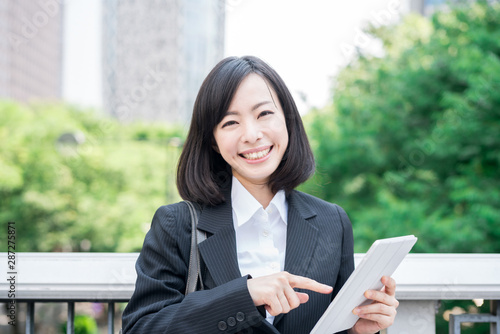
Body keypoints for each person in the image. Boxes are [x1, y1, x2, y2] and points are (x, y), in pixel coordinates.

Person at [122, 56, 399, 334]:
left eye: (264, 114)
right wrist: (244, 295)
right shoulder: (177, 224)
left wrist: (359, 329)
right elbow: (141, 328)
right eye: (230, 122)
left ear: (287, 121)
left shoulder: (332, 222)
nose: (252, 134)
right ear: (214, 142)